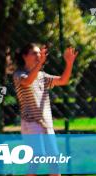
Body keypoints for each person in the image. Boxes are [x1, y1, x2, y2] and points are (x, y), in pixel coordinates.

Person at [13, 42, 77, 176]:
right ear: (25, 56)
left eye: (39, 53)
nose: (38, 55)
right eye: (34, 53)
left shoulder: (42, 76)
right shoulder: (19, 74)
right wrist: (40, 64)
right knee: (36, 160)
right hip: (31, 123)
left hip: (46, 124)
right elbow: (28, 81)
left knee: (54, 163)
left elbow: (63, 80)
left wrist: (69, 63)